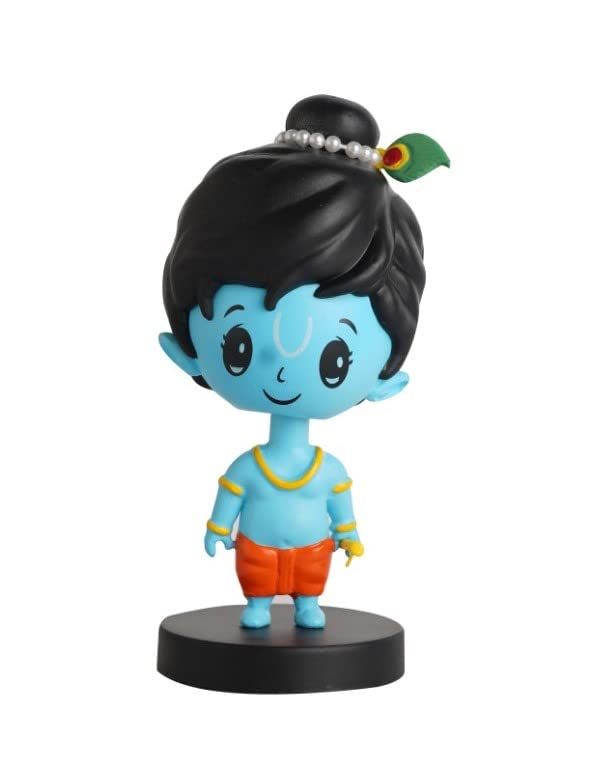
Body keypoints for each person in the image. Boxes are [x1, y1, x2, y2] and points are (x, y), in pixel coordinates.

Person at [159, 94, 448, 628]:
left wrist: (350, 534)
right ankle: (259, 606)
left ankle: (307, 604)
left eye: (335, 360)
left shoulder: (327, 473)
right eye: (238, 347)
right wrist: (219, 528)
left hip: (313, 552)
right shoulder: (253, 469)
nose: (282, 373)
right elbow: (231, 496)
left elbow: (340, 507)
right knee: (257, 577)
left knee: (310, 579)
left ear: (383, 377)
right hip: (256, 551)